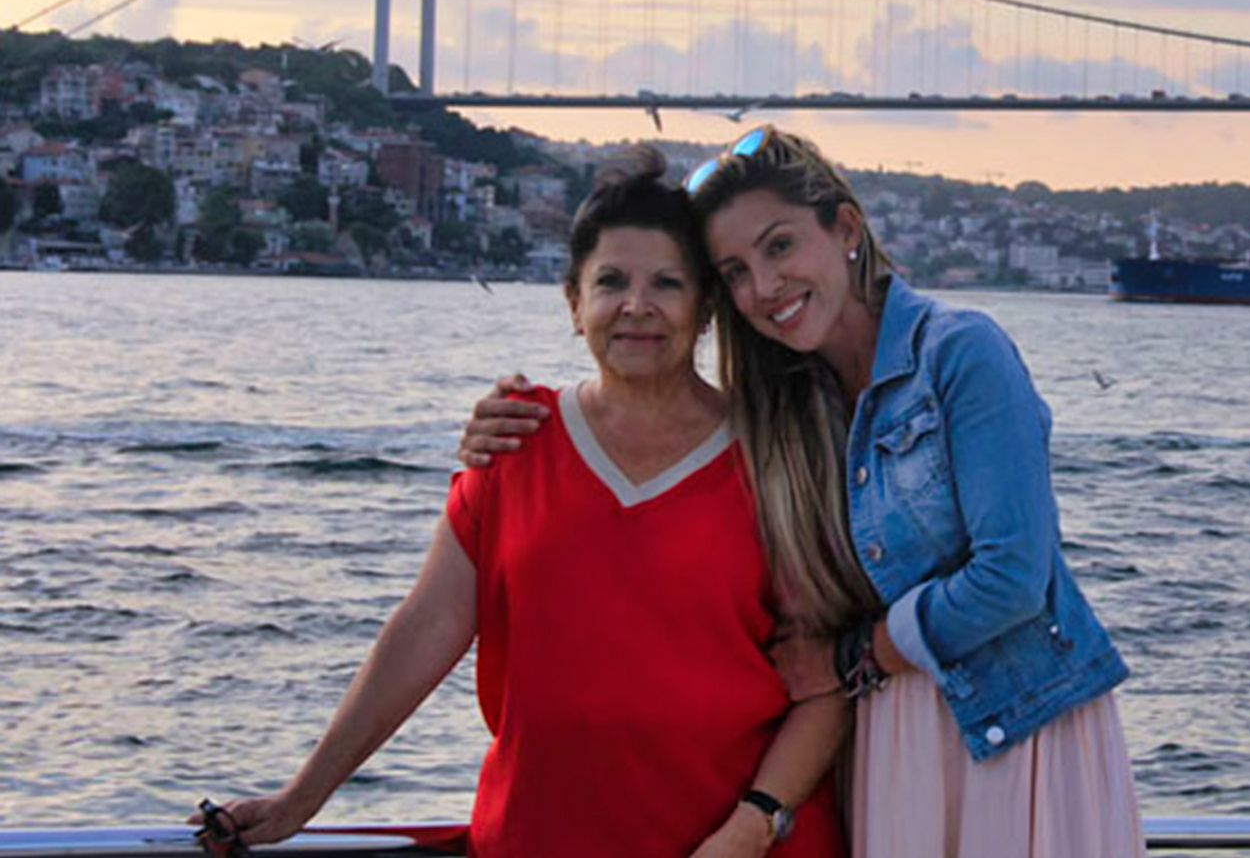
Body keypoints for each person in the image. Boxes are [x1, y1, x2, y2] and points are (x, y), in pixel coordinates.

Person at [463, 128, 1146, 857]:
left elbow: (1011, 578)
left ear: (845, 228)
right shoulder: (785, 405)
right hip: (887, 736)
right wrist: (508, 432)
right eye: (735, 270)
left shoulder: (960, 351)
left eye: (780, 246)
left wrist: (858, 657)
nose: (764, 287)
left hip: (1015, 730)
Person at [201, 147, 848, 858]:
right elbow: (426, 628)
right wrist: (304, 795)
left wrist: (749, 829)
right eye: (611, 282)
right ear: (575, 303)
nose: (637, 305)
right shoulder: (515, 441)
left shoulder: (770, 459)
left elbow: (825, 682)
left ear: (703, 311)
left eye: (667, 282)